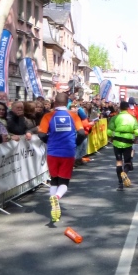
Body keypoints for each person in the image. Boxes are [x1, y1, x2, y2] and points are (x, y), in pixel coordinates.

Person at [38, 93, 86, 223]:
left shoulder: (48, 116)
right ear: (67, 103)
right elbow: (82, 133)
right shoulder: (73, 116)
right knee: (64, 181)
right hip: (68, 152)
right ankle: (57, 197)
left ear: (54, 102)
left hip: (53, 152)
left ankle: (53, 203)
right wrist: (76, 143)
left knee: (54, 179)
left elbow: (41, 134)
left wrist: (50, 141)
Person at [108, 100, 138, 191]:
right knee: (128, 161)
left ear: (120, 108)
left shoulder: (115, 118)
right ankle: (124, 172)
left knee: (118, 162)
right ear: (128, 108)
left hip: (117, 141)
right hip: (128, 141)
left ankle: (120, 184)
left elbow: (109, 131)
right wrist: (135, 140)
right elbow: (137, 132)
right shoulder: (132, 118)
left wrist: (111, 138)